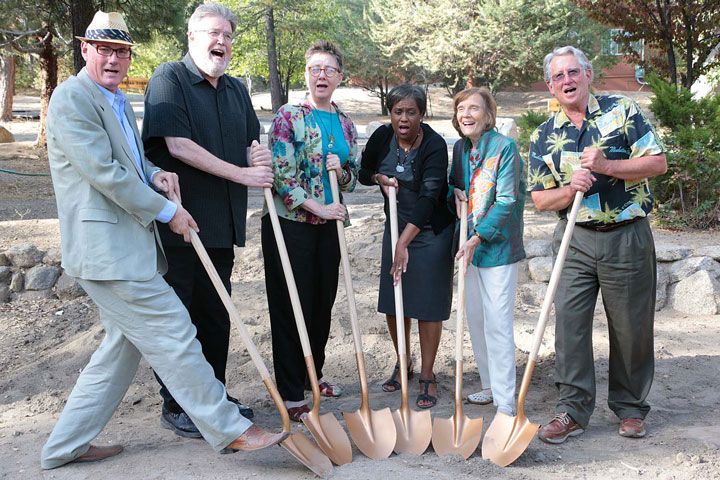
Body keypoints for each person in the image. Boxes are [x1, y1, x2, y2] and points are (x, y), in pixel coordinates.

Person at [40, 11, 286, 469]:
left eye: (121, 51)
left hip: (124, 250)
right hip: (109, 253)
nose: (113, 59)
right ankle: (230, 427)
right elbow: (105, 175)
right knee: (176, 331)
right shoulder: (72, 99)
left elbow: (130, 165)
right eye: (104, 50)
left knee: (117, 354)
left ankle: (63, 446)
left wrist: (155, 174)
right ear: (85, 50)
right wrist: (169, 210)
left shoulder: (112, 99)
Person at [142, 3, 273, 438]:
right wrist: (242, 173)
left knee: (216, 316)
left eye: (229, 35)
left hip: (222, 224)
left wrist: (256, 155)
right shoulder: (169, 79)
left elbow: (251, 142)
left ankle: (212, 397)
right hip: (180, 222)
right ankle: (178, 404)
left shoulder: (235, 89)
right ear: (193, 37)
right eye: (214, 33)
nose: (222, 42)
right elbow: (177, 146)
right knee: (180, 319)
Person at [528, 46, 667, 443]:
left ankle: (630, 408)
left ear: (588, 74)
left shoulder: (621, 111)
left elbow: (657, 163)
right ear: (551, 86)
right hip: (574, 241)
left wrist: (608, 166)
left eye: (573, 72)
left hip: (626, 236)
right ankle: (571, 410)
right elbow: (540, 199)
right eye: (558, 77)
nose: (567, 81)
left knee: (631, 327)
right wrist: (569, 189)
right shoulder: (545, 134)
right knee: (569, 326)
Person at [262, 41, 358, 421]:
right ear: (307, 74)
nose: (322, 75)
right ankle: (289, 392)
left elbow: (351, 178)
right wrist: (319, 207)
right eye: (315, 68)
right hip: (292, 227)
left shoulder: (345, 122)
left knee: (322, 304)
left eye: (329, 69)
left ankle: (311, 376)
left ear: (339, 77)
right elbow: (282, 178)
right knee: (291, 307)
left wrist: (343, 170)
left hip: (329, 228)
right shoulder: (289, 116)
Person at [359, 84, 454, 409]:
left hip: (431, 231)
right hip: (396, 226)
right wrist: (379, 181)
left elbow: (429, 198)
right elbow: (363, 173)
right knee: (394, 299)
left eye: (410, 112)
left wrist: (403, 242)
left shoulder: (434, 145)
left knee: (427, 305)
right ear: (390, 113)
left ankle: (427, 373)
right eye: (397, 111)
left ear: (421, 114)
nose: (403, 118)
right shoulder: (380, 138)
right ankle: (405, 362)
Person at [447, 87, 526, 416]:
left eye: (474, 108)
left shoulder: (505, 148)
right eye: (461, 108)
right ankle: (490, 386)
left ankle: (507, 402)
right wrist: (456, 192)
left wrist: (477, 237)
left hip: (497, 248)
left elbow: (507, 200)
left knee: (496, 323)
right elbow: (455, 182)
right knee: (476, 320)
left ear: (489, 116)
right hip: (470, 247)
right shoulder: (461, 148)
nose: (466, 114)